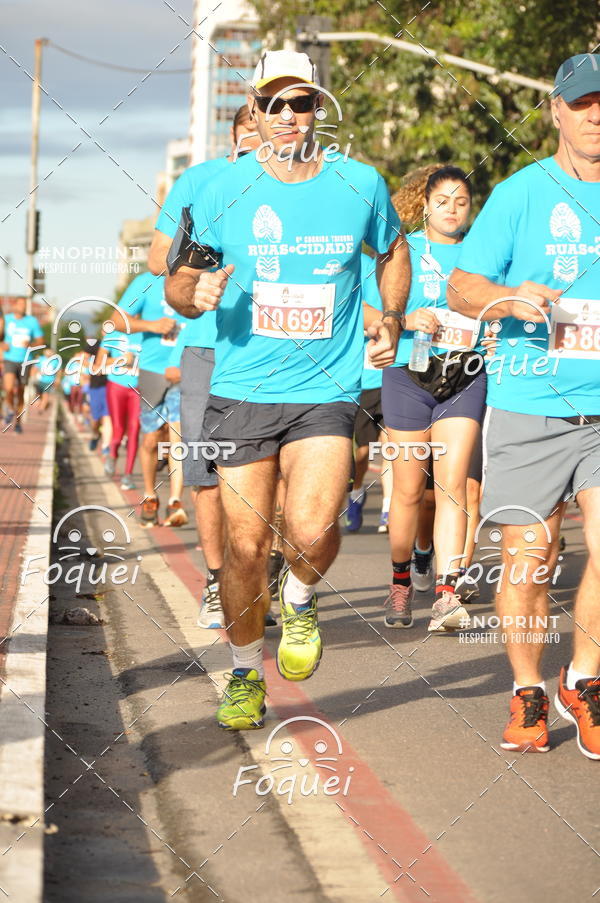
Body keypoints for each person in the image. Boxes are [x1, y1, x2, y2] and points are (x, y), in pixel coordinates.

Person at [165, 49, 410, 730]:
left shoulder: (359, 183)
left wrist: (389, 316)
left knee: (310, 527)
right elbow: (176, 283)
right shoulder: (220, 189)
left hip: (326, 387)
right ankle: (245, 673)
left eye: (299, 102)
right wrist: (195, 290)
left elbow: (393, 250)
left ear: (317, 110)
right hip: (242, 386)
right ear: (254, 110)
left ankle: (299, 595)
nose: (286, 116)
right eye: (272, 103)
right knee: (245, 547)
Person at [447, 53, 600, 757]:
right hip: (531, 400)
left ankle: (586, 676)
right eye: (584, 101)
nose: (597, 113)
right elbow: (461, 286)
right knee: (529, 561)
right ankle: (528, 687)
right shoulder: (520, 194)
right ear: (558, 111)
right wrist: (507, 298)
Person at [148, 106, 262, 628]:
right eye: (249, 136)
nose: (259, 143)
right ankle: (218, 583)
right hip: (207, 346)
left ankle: (266, 575)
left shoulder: (304, 184)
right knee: (208, 472)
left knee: (274, 472)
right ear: (233, 140)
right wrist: (209, 260)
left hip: (277, 347)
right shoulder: (201, 182)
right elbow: (157, 260)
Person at [377, 165, 485, 632]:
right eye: (443, 200)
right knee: (406, 491)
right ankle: (401, 580)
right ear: (425, 204)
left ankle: (446, 591)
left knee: (453, 488)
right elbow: (376, 307)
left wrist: (497, 333)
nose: (452, 210)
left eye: (461, 202)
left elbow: (495, 307)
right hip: (408, 374)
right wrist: (405, 317)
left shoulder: (482, 254)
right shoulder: (405, 250)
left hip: (466, 374)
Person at [111, 273, 188, 527]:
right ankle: (149, 495)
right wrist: (152, 326)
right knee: (151, 438)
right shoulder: (147, 281)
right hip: (153, 372)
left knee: (177, 436)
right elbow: (116, 320)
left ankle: (175, 501)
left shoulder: (200, 277)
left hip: (186, 370)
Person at [345, 252, 393, 534]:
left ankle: (388, 509)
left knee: (391, 447)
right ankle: (356, 494)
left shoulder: (403, 262)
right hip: (362, 379)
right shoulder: (356, 262)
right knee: (362, 453)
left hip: (392, 375)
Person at [96, 322, 142, 489]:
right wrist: (121, 359)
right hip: (116, 386)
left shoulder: (146, 333)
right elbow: (98, 364)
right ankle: (112, 454)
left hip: (137, 388)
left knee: (135, 428)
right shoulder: (112, 334)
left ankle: (128, 475)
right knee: (118, 429)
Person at [0, 298, 44, 433]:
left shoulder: (32, 322)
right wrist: (2, 345)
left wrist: (31, 345)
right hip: (9, 359)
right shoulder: (6, 319)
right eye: (20, 304)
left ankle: (18, 423)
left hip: (25, 360)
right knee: (8, 388)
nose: (23, 307)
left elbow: (41, 341)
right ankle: (11, 410)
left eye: (25, 305)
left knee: (20, 392)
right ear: (14, 305)